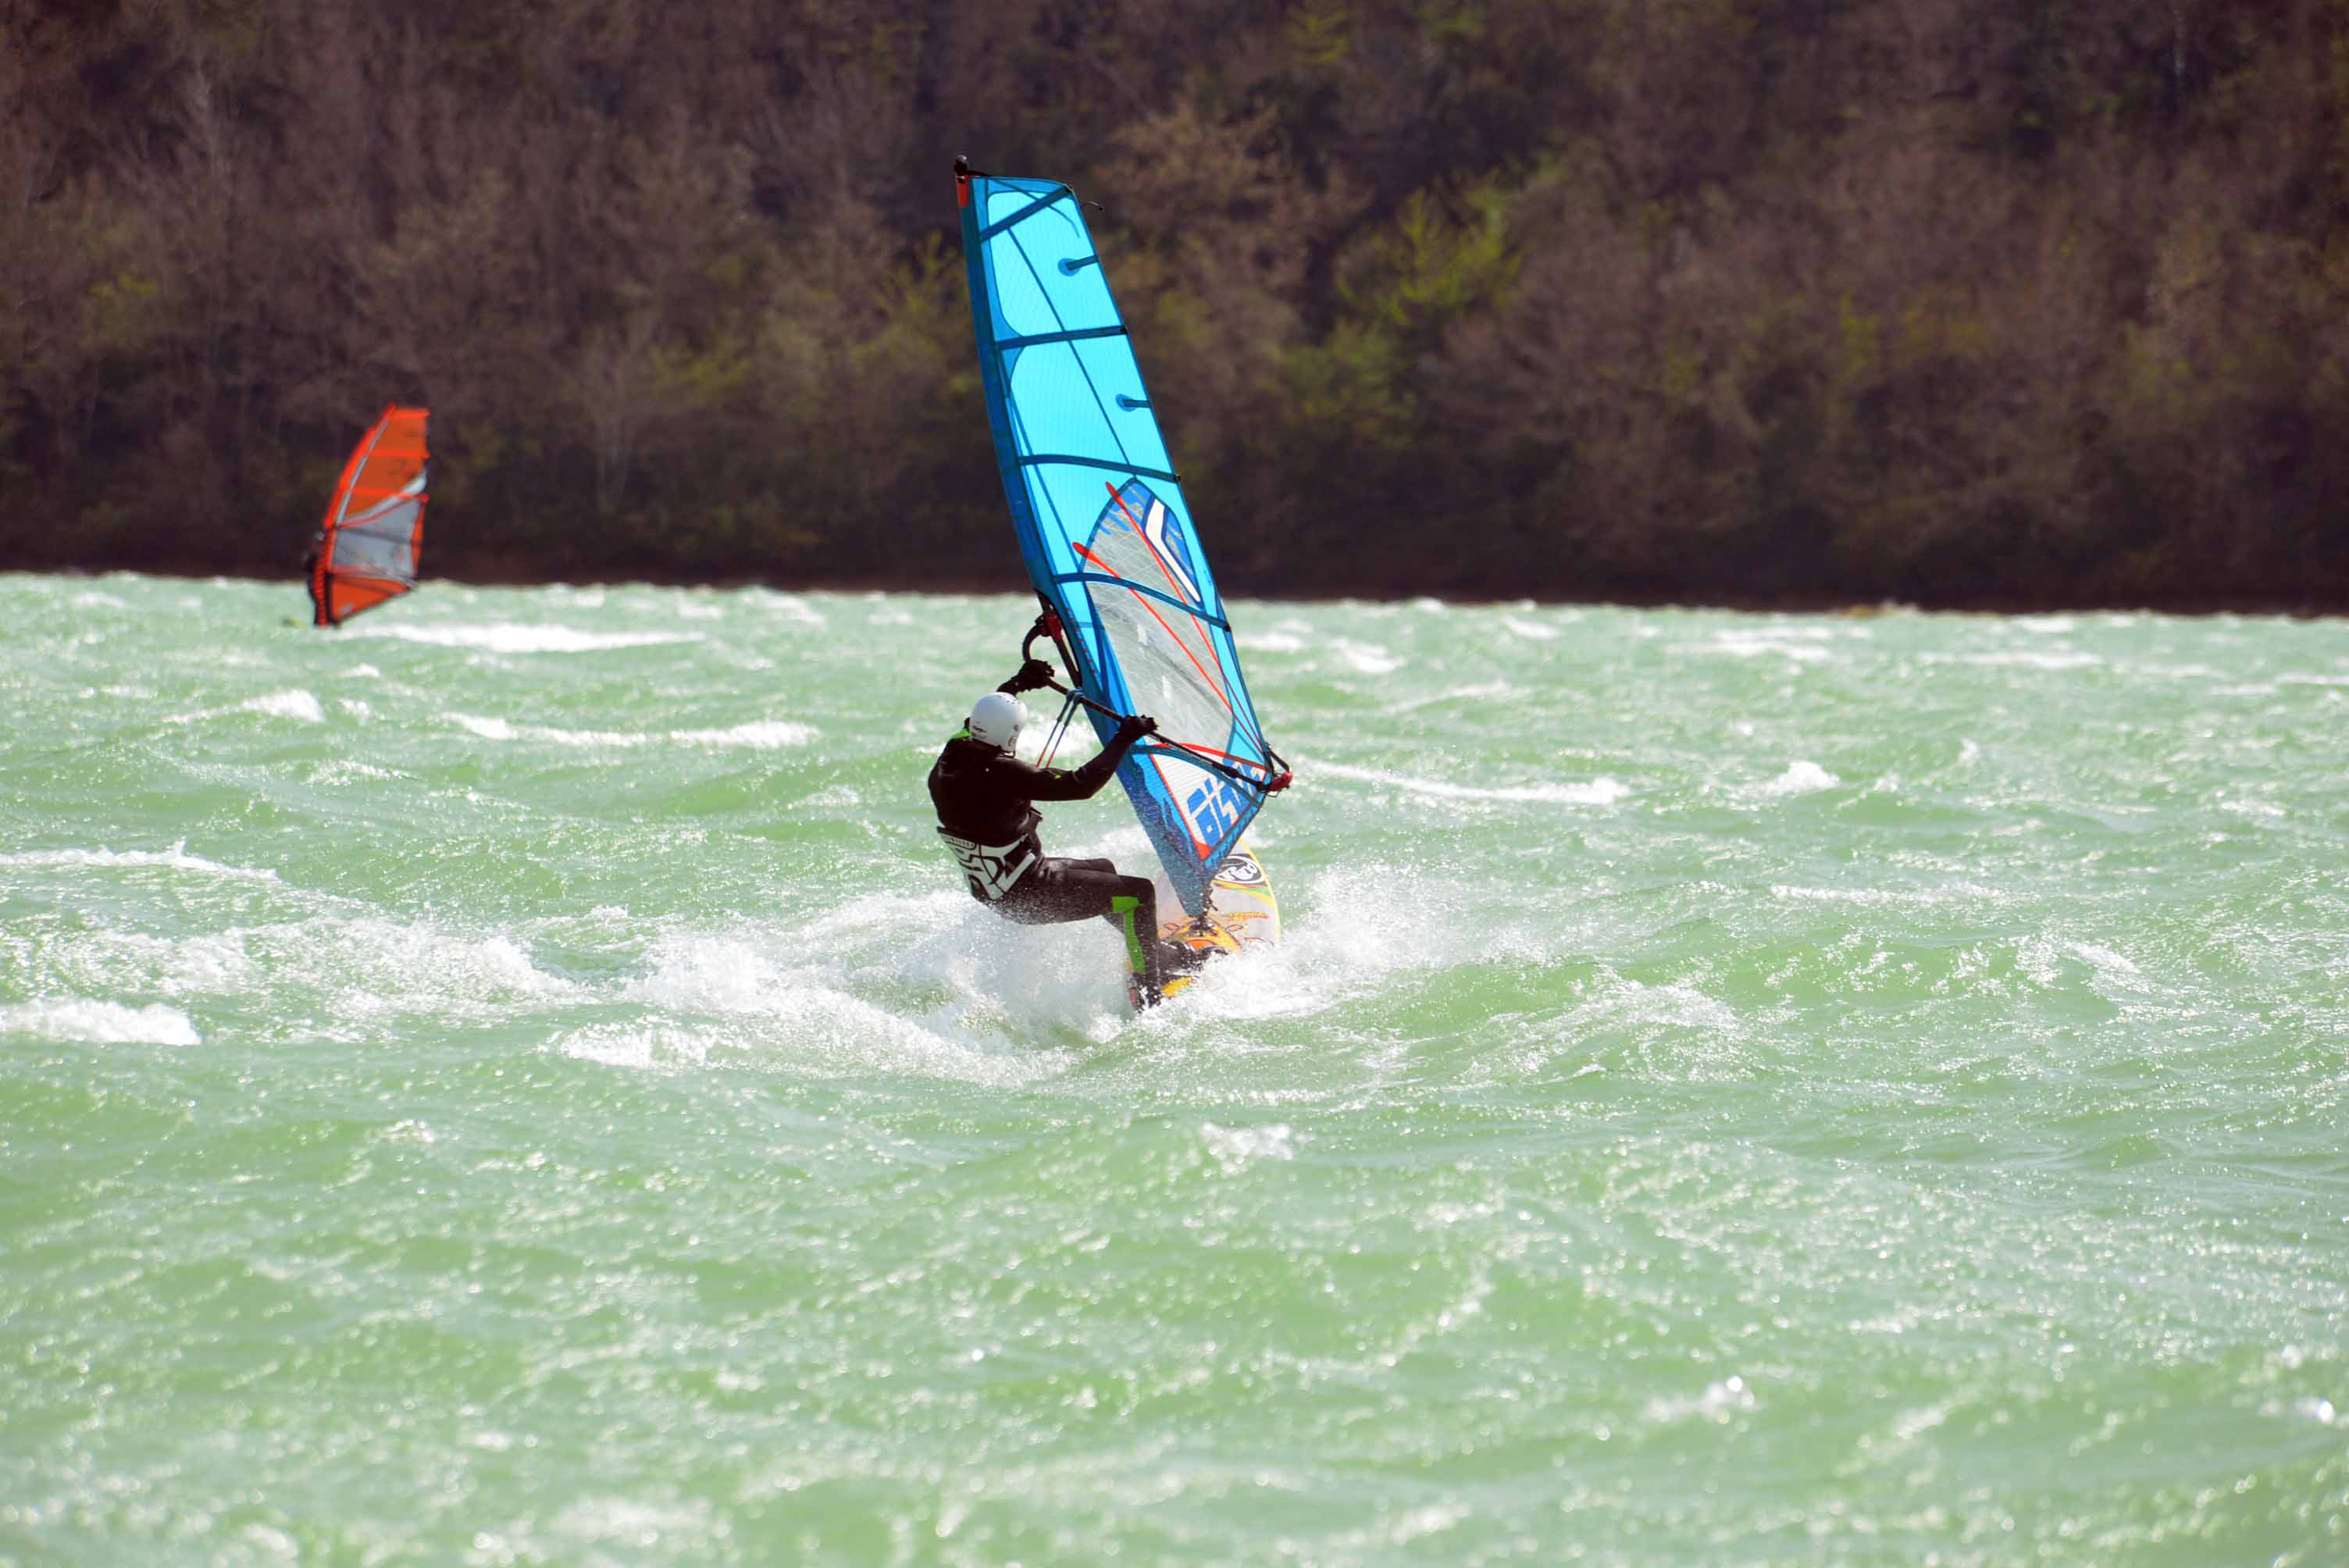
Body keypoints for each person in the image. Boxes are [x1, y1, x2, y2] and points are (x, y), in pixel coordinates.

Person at [929, 657, 1209, 1004]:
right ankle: (1150, 987)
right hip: (1029, 894)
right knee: (1139, 894)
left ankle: (1152, 954)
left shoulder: (953, 754)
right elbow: (1080, 785)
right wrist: (1124, 738)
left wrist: (1017, 685)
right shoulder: (1003, 774)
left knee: (1105, 869)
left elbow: (986, 719)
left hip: (1000, 890)